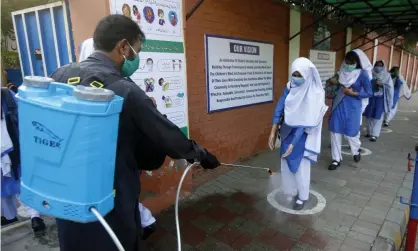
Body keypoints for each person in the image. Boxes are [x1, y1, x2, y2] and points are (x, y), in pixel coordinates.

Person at [50, 15, 220, 251]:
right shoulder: (124, 90)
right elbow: (164, 133)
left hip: (67, 194)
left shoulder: (59, 75)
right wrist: (201, 155)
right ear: (122, 46)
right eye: (135, 50)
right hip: (111, 197)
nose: (134, 57)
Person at [78, 36, 160, 240]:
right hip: (105, 168)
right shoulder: (104, 86)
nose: (134, 58)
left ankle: (144, 222)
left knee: (125, 203)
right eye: (134, 51)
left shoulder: (123, 83)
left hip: (120, 167)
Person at [268, 57, 327, 210]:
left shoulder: (314, 93)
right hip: (287, 131)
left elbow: (305, 121)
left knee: (300, 166)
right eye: (294, 74)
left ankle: (302, 196)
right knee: (286, 162)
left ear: (307, 74)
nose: (296, 78)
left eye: (300, 75)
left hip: (303, 136)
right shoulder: (290, 87)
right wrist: (273, 131)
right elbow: (280, 106)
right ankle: (290, 191)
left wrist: (294, 143)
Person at [1, 88, 46, 233]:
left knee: (4, 186)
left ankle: (9, 216)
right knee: (23, 183)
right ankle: (35, 217)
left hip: (6, 150)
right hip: (17, 146)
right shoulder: (8, 94)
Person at [328, 50, 372, 170]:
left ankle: (356, 150)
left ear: (357, 63)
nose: (348, 65)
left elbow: (369, 92)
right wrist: (334, 83)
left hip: (353, 106)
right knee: (335, 131)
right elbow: (334, 85)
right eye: (346, 62)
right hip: (339, 104)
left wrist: (354, 93)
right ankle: (336, 159)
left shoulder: (362, 74)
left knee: (351, 133)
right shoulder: (341, 71)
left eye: (351, 63)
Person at [363, 60, 393, 142]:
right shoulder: (370, 73)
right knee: (368, 116)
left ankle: (375, 135)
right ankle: (369, 132)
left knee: (377, 117)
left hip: (380, 99)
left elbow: (390, 88)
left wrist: (382, 85)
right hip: (370, 98)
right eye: (376, 65)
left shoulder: (387, 76)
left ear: (383, 66)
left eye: (380, 65)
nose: (378, 67)